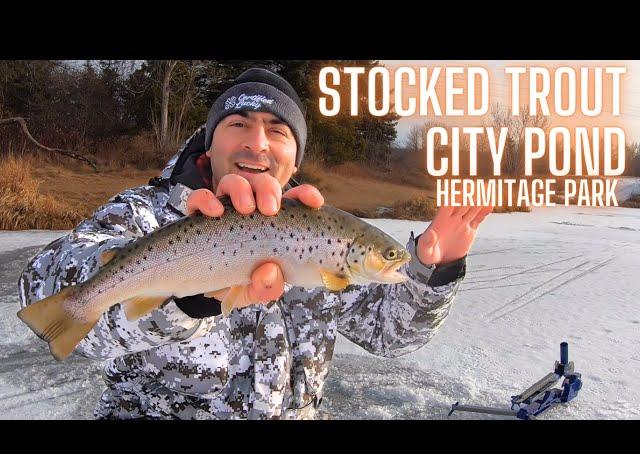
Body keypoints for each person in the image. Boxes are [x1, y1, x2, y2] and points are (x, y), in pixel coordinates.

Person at [18, 68, 492, 419]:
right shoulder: (144, 215)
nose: (258, 143)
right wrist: (188, 303)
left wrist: (435, 269)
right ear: (210, 143)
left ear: (295, 157)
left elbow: (391, 336)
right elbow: (42, 295)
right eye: (238, 123)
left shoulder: (323, 236)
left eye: (278, 130)